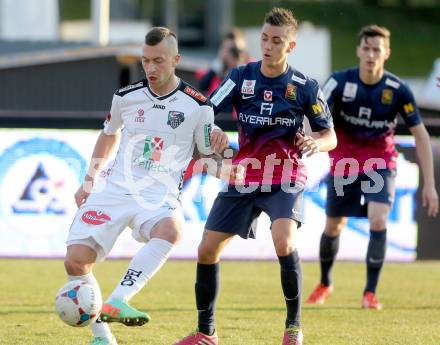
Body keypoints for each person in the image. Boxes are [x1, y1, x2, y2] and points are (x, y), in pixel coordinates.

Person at [174, 8, 336, 345]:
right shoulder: (239, 76)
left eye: (277, 41)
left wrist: (315, 143)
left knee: (284, 241)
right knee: (206, 250)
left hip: (285, 174)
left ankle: (293, 327)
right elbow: (204, 109)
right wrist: (213, 129)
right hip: (244, 173)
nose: (268, 45)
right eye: (264, 38)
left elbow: (330, 136)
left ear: (290, 46)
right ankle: (207, 332)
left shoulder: (305, 86)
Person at [62, 27, 229, 345]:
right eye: (146, 61)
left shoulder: (199, 106)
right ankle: (102, 335)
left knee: (171, 230)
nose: (151, 69)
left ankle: (118, 299)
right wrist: (89, 180)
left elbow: (208, 155)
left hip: (158, 195)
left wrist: (227, 161)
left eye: (159, 61)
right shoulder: (126, 97)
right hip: (115, 190)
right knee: (75, 259)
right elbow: (109, 133)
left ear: (176, 60)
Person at [306, 25, 439, 310]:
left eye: (376, 49)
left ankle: (370, 293)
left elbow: (421, 134)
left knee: (378, 219)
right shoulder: (339, 83)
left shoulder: (397, 90)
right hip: (344, 164)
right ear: (358, 50)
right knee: (334, 225)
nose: (370, 54)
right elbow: (314, 114)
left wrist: (429, 184)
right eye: (366, 48)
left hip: (380, 163)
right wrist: (307, 139)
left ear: (386, 53)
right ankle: (325, 282)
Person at [196, 29, 250, 97]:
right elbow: (201, 87)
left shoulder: (251, 68)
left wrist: (238, 68)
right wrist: (217, 66)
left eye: (234, 50)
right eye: (226, 49)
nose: (231, 54)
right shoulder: (217, 67)